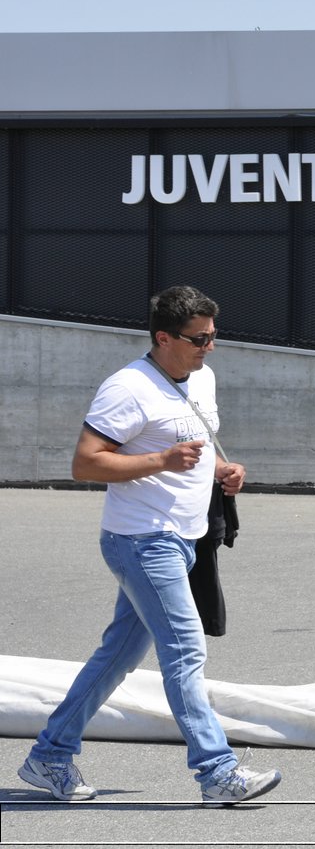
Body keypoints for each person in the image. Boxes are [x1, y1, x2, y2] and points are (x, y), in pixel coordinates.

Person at [18, 286, 282, 807]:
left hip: (184, 539)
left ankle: (49, 755)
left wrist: (220, 473)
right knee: (184, 650)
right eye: (199, 339)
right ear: (164, 338)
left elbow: (194, 451)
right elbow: (86, 463)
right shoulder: (127, 388)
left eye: (212, 335)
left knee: (116, 656)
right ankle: (217, 772)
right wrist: (161, 461)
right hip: (142, 541)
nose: (210, 347)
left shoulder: (202, 378)